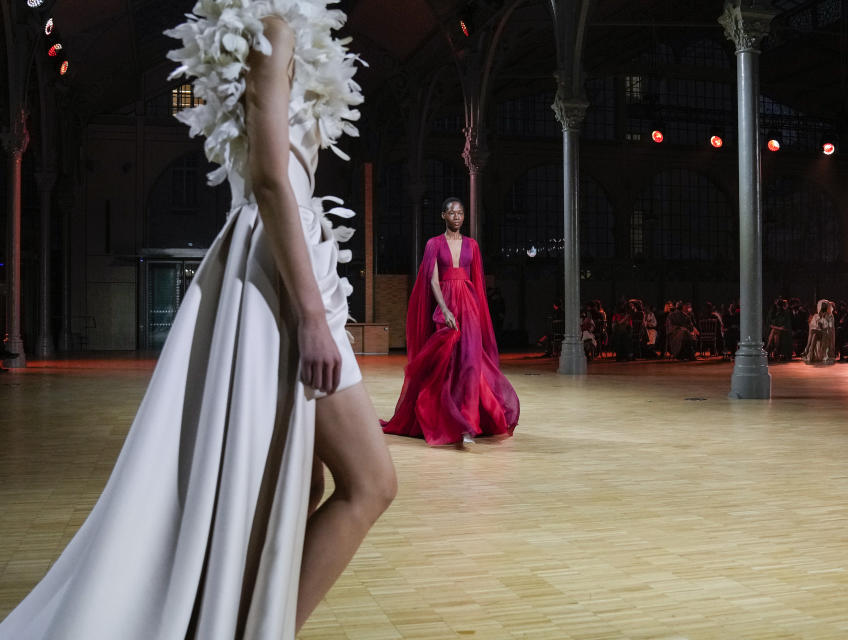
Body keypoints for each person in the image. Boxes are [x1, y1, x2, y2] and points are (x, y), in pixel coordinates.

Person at [0, 4, 397, 638]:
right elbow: (270, 176)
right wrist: (313, 316)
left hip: (279, 262)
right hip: (279, 270)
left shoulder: (268, 31)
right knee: (371, 483)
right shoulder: (274, 30)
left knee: (302, 486)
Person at [380, 198, 519, 446]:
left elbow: (477, 280)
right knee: (445, 366)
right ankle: (446, 420)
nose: (457, 216)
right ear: (443, 215)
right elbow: (432, 280)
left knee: (470, 366)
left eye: (461, 213)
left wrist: (476, 310)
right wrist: (444, 310)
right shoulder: (433, 244)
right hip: (446, 306)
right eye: (452, 212)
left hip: (469, 308)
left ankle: (468, 424)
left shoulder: (472, 245)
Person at [803, 299, 836, 364]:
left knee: (813, 332)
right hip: (818, 332)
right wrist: (818, 323)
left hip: (826, 333)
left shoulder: (830, 316)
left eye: (824, 306)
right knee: (814, 334)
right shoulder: (816, 316)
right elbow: (813, 326)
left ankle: (807, 349)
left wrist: (824, 318)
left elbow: (830, 327)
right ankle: (810, 354)